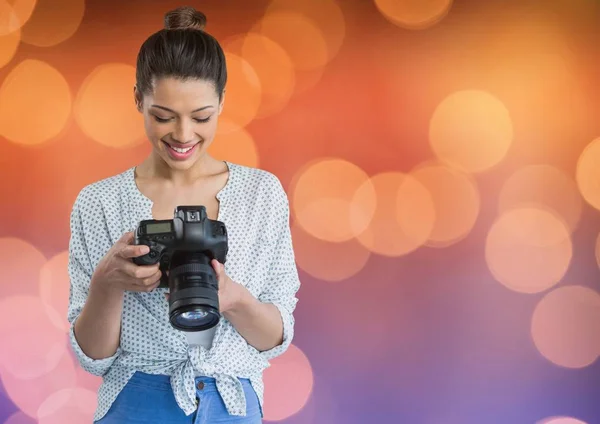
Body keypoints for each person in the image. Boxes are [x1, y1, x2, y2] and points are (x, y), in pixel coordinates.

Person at [67, 6, 301, 423]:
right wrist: (108, 283)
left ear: (222, 102)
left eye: (201, 117)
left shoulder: (261, 194)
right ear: (138, 98)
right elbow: (93, 359)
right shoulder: (99, 202)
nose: (183, 135)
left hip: (232, 404)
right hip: (135, 401)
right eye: (163, 116)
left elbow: (276, 339)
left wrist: (231, 298)